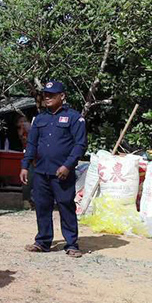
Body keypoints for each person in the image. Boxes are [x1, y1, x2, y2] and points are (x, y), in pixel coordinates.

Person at [21, 81, 86, 258]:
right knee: (42, 207)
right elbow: (32, 143)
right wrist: (25, 165)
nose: (47, 98)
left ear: (62, 96)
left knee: (66, 206)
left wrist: (67, 165)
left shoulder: (74, 118)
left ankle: (71, 244)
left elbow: (80, 145)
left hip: (62, 173)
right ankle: (43, 242)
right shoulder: (40, 118)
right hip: (41, 171)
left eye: (52, 95)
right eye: (45, 95)